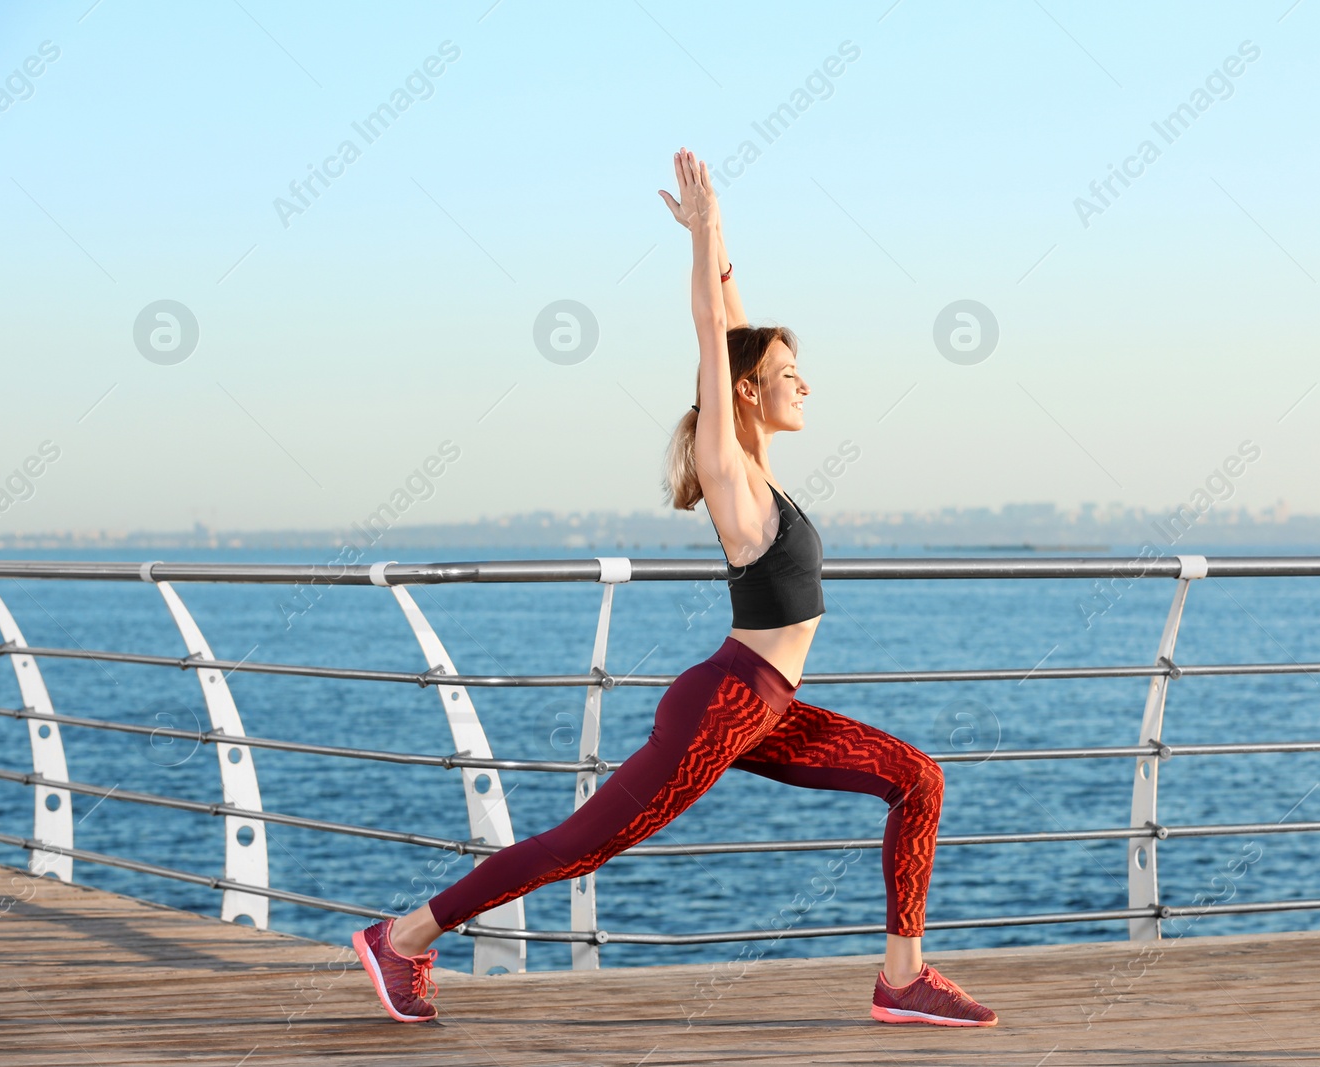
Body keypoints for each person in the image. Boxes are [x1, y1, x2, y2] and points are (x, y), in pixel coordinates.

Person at [352, 149, 998, 1028]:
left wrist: (721, 235)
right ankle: (404, 938)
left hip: (768, 707)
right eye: (787, 371)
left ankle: (902, 977)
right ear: (743, 393)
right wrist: (697, 240)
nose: (804, 379)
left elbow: (732, 328)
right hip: (724, 704)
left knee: (917, 778)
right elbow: (712, 336)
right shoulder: (727, 468)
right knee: (580, 847)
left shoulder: (762, 469)